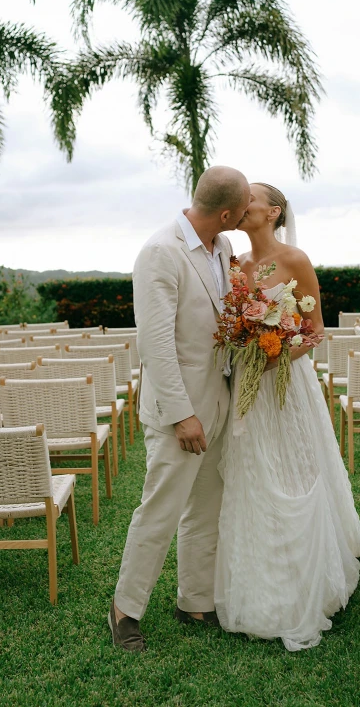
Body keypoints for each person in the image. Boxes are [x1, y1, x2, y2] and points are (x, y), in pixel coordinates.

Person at [214, 182, 360, 651]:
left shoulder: (295, 260)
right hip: (247, 385)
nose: (242, 206)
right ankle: (262, 572)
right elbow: (229, 324)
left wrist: (280, 351)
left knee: (298, 472)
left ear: (273, 212)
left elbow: (316, 329)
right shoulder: (236, 266)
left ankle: (309, 575)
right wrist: (244, 341)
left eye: (251, 200)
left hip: (286, 384)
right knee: (254, 474)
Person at [109, 165, 251, 651]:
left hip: (219, 401)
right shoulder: (159, 252)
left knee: (206, 508)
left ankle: (195, 599)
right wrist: (181, 414)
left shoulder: (225, 248)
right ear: (228, 212)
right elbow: (155, 345)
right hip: (180, 413)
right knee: (161, 510)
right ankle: (125, 609)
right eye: (243, 209)